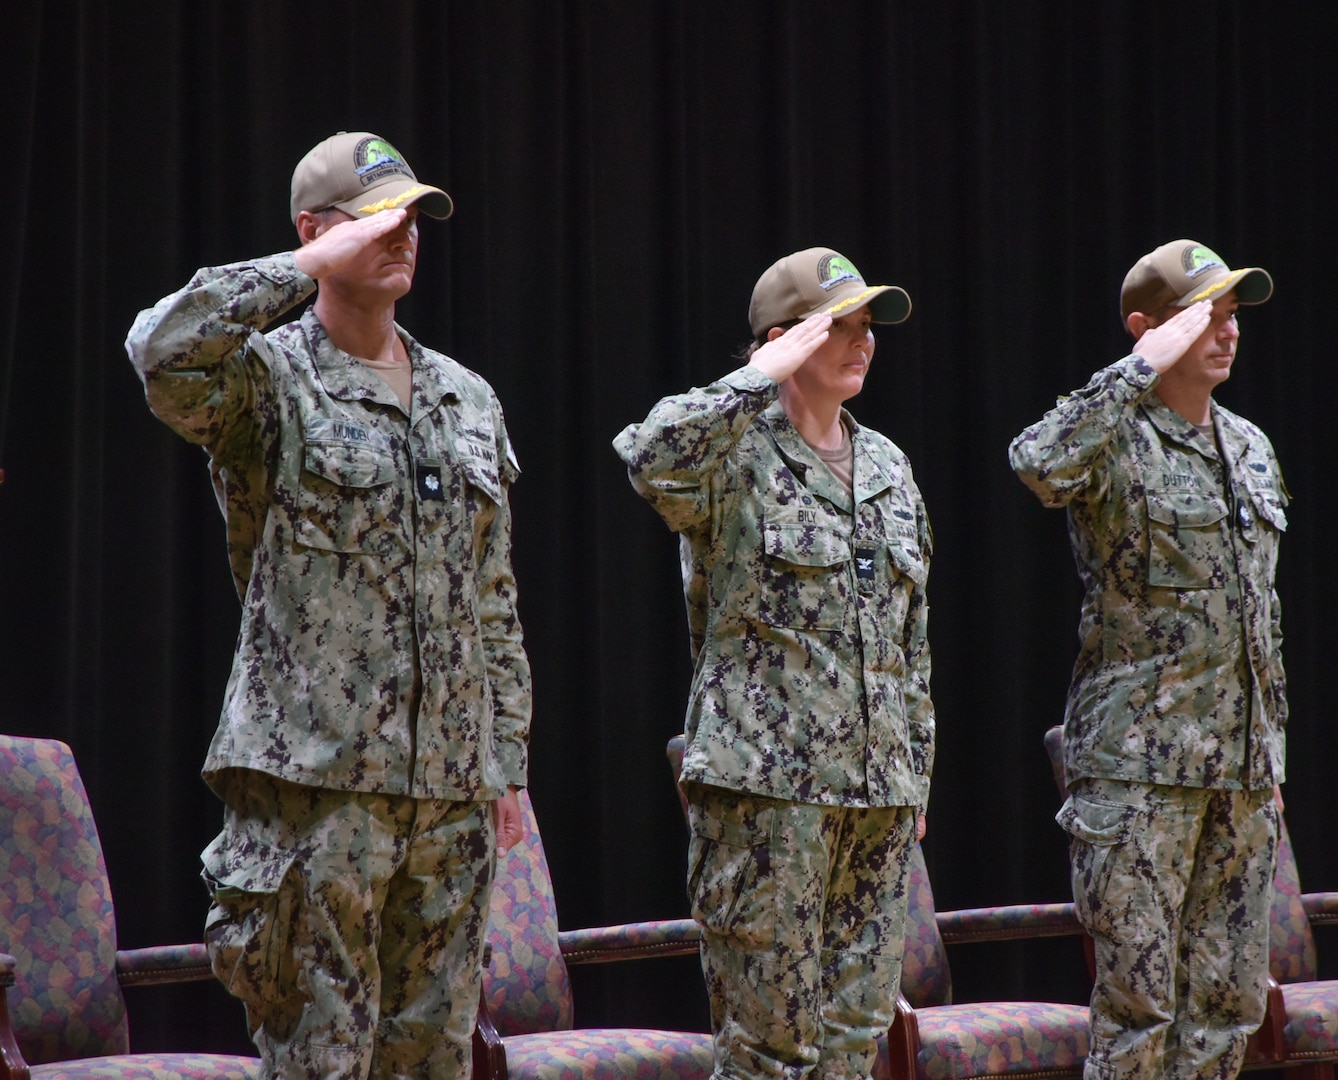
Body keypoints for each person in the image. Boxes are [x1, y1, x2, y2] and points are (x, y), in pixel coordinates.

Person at [125, 130, 532, 1079]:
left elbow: (494, 596)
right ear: (314, 231)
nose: (403, 236)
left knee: (433, 1062)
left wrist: (505, 760)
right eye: (376, 220)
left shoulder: (465, 398)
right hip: (316, 791)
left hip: (449, 794)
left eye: (414, 219)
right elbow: (162, 349)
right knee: (321, 1063)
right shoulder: (264, 380)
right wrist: (303, 268)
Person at [613, 247, 934, 1080]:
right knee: (770, 1055)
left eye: (868, 327)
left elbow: (912, 643)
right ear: (783, 340)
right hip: (767, 801)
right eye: (840, 326)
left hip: (878, 800)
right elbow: (649, 457)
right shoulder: (730, 455)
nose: (862, 343)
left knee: (853, 1047)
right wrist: (760, 376)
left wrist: (915, 777)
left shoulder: (891, 468)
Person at [1008, 239, 1290, 1080]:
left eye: (1232, 314)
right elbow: (1036, 460)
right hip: (1138, 770)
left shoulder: (1249, 447)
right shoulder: (1111, 438)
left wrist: (1269, 752)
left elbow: (1261, 619)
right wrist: (1136, 369)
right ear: (1146, 329)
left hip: (1239, 771)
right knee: (1140, 1016)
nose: (1226, 331)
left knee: (1225, 1009)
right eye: (1203, 314)